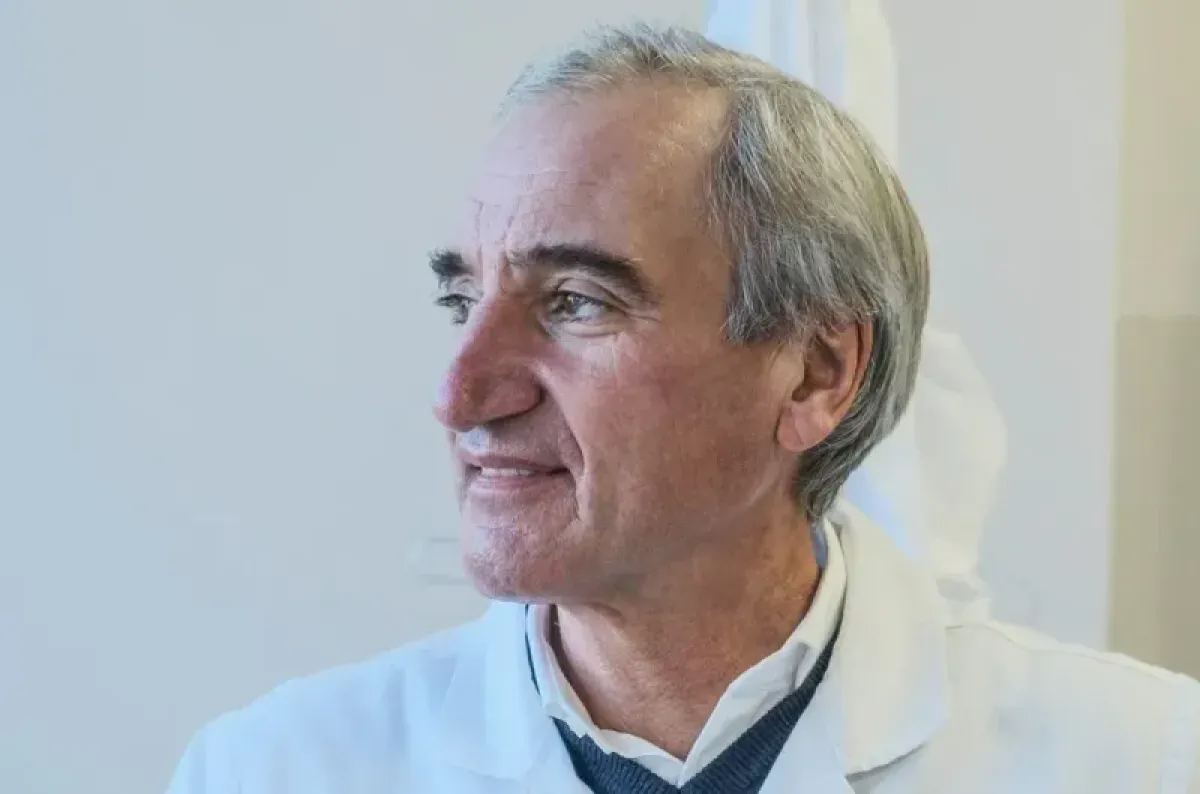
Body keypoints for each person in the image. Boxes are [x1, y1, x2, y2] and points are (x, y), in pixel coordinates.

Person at [167, 24, 1200, 794]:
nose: (459, 393)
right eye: (461, 300)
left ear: (815, 374)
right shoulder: (272, 770)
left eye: (576, 302)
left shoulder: (1144, 761)